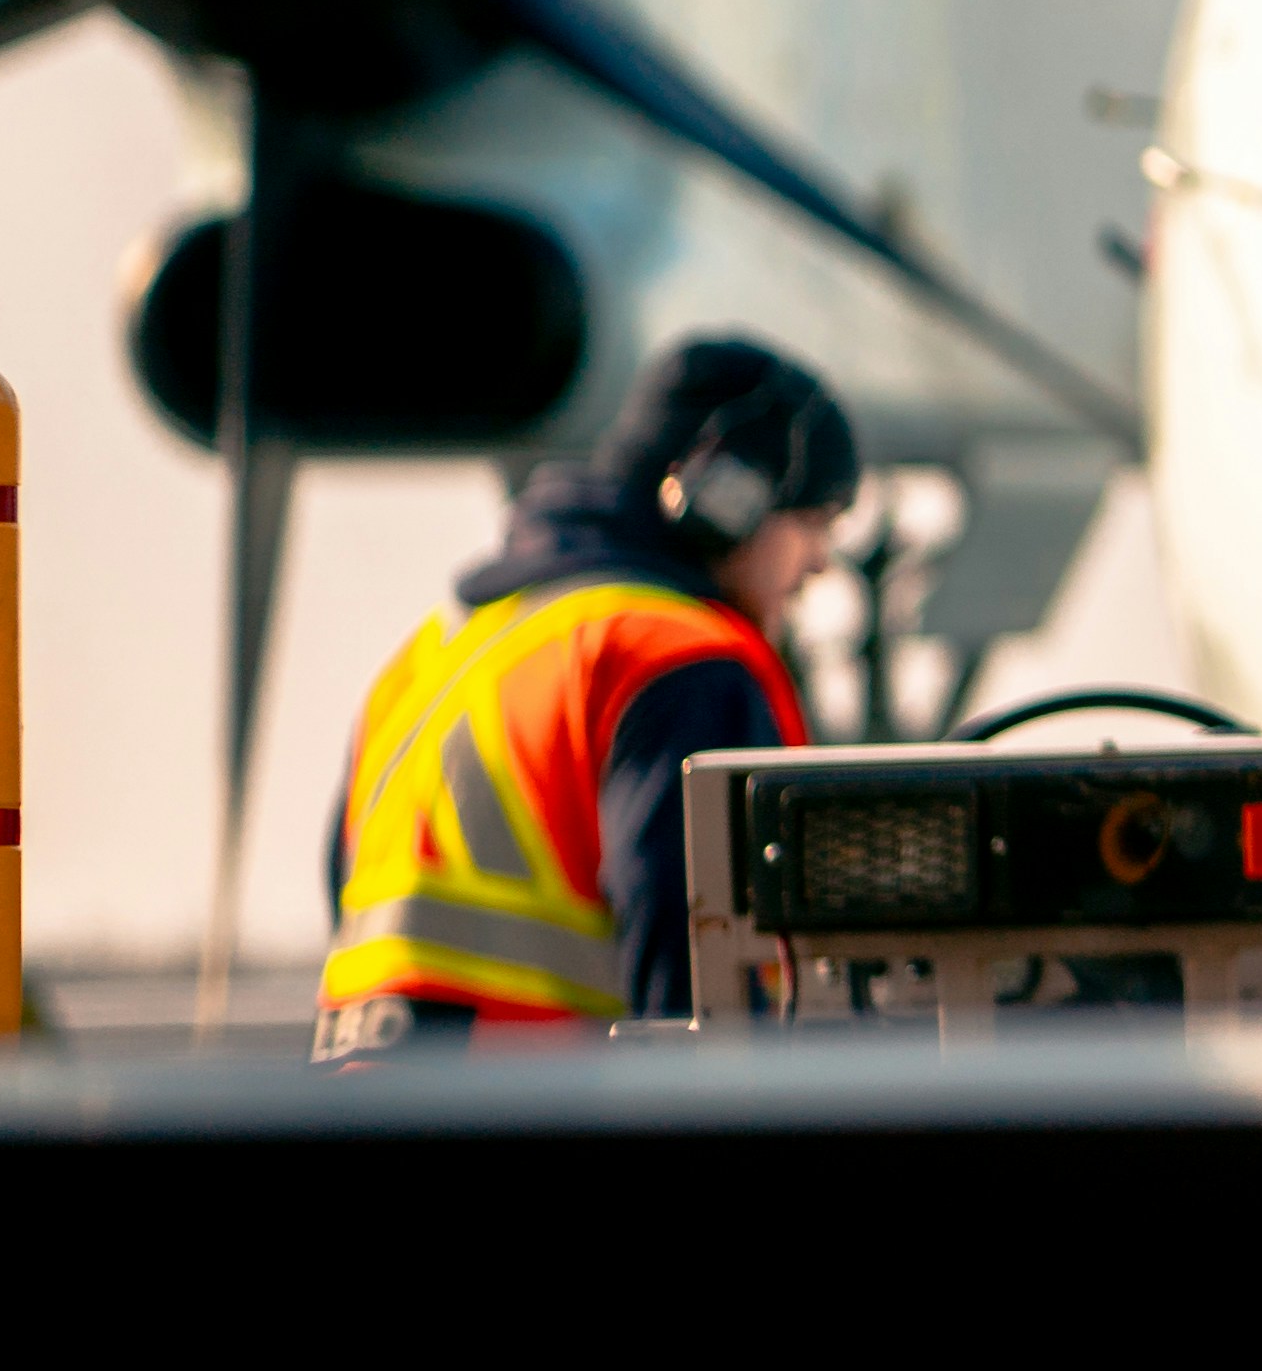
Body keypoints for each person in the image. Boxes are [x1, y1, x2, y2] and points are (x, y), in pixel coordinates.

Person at [307, 334, 854, 1056]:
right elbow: (692, 943)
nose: (818, 563)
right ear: (729, 501)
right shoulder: (677, 659)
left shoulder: (433, 655)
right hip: (548, 1123)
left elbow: (341, 886)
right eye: (812, 523)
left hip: (362, 1119)